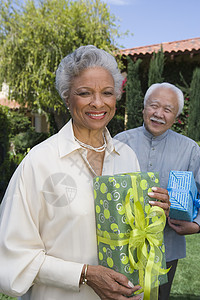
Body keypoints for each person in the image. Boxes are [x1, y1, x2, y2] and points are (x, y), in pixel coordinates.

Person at [0, 46, 170, 300]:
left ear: (116, 97)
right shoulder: (40, 161)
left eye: (107, 93)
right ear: (67, 98)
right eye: (84, 93)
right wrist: (84, 274)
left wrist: (155, 214)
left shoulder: (127, 157)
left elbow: (135, 234)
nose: (98, 103)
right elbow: (13, 256)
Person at [114, 82, 200, 300]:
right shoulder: (119, 143)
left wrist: (197, 224)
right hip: (121, 245)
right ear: (143, 108)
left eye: (168, 109)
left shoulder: (191, 150)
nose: (159, 114)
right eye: (154, 106)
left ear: (176, 115)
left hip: (167, 247)